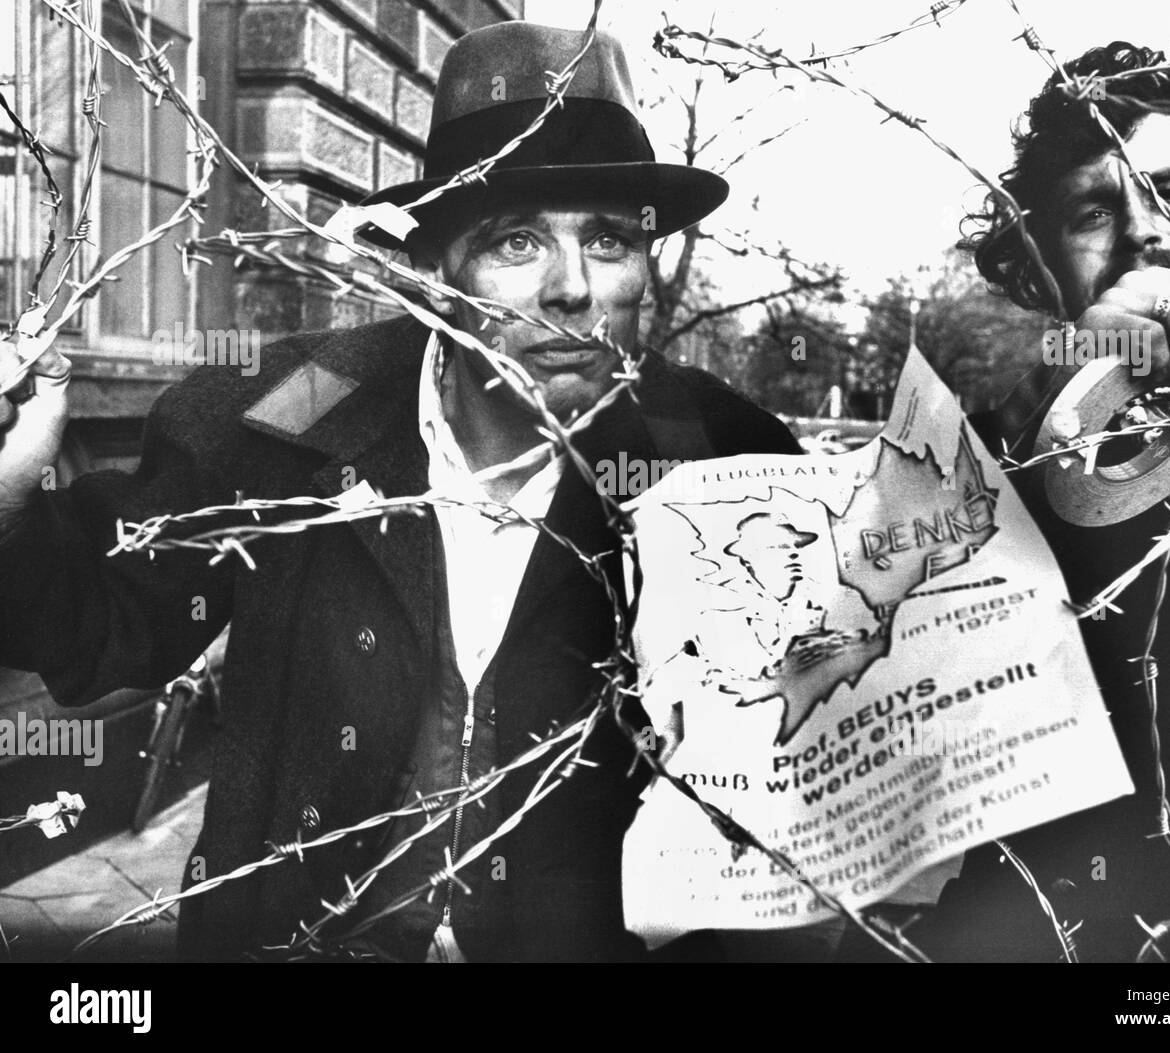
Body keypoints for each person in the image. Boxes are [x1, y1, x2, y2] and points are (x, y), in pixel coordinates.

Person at [0, 21, 801, 962]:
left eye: (612, 240)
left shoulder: (717, 461)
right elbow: (107, 624)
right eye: (516, 241)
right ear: (431, 269)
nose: (575, 289)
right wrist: (11, 511)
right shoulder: (287, 421)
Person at [844, 41, 1170, 963]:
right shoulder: (984, 460)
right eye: (1095, 209)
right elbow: (865, 705)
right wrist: (1074, 395)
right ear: (1040, 265)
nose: (1147, 232)